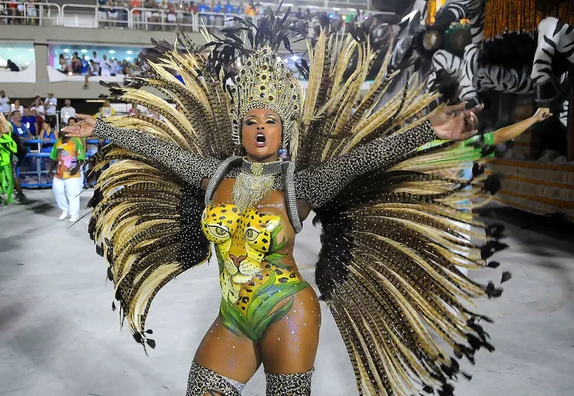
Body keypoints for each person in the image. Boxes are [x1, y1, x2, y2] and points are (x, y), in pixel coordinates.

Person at [64, 18, 541, 396]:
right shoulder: (214, 176)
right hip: (232, 316)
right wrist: (102, 130)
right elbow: (161, 152)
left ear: (284, 129)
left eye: (269, 120)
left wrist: (424, 133)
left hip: (289, 313)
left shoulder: (302, 185)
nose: (258, 128)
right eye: (250, 120)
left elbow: (364, 160)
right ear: (239, 129)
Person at [48, 128, 85, 222]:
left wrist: (76, 168)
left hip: (72, 172)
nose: (62, 131)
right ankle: (64, 210)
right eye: (61, 129)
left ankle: (74, 214)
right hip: (59, 173)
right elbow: (53, 157)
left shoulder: (75, 141)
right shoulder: (58, 142)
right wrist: (50, 170)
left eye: (64, 129)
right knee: (57, 191)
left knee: (72, 194)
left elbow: (81, 157)